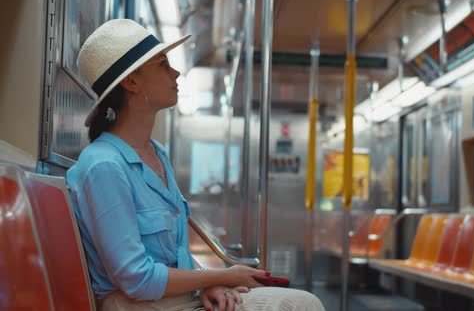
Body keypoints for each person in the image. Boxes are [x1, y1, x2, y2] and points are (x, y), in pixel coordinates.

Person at [66, 19, 325, 311]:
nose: (175, 73)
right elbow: (135, 278)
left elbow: (176, 257)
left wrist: (208, 283)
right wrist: (223, 275)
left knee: (301, 303)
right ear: (132, 82)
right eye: (163, 64)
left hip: (172, 299)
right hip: (136, 305)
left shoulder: (156, 153)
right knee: (298, 305)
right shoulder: (104, 167)